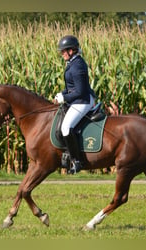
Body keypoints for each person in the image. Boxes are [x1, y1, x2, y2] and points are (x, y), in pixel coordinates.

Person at [54, 35, 96, 174]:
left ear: (72, 50)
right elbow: (71, 87)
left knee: (66, 127)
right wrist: (62, 94)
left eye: (64, 51)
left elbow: (80, 91)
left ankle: (77, 161)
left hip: (83, 101)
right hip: (77, 99)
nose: (62, 54)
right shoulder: (73, 63)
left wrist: (64, 97)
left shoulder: (77, 65)